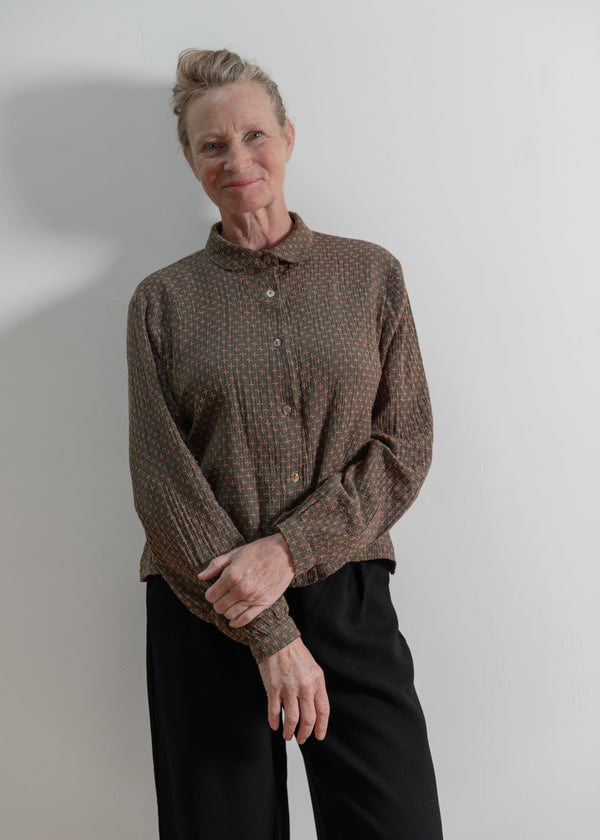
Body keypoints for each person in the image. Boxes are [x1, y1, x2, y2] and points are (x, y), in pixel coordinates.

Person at [126, 47, 444, 840]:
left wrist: (289, 552)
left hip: (349, 594)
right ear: (190, 159)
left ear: (289, 138)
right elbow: (162, 480)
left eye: (255, 136)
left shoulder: (371, 276)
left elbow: (405, 442)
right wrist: (268, 629)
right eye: (212, 144)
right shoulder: (161, 303)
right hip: (205, 602)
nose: (238, 159)